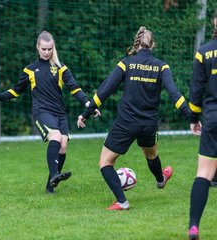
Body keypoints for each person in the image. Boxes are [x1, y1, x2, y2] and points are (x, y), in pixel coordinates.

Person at [77, 26, 190, 210]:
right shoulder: (162, 66)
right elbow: (174, 93)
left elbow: (104, 91)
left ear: (136, 43)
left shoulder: (126, 63)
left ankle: (122, 202)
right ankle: (160, 180)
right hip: (148, 124)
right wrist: (191, 116)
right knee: (151, 154)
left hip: (126, 123)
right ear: (152, 44)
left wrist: (86, 113)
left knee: (105, 162)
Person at [0, 31, 95, 194]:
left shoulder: (60, 68)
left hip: (60, 113)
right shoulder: (30, 70)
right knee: (55, 137)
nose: (46, 52)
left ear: (53, 48)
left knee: (63, 147)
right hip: (42, 112)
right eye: (43, 49)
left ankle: (51, 185)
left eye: (49, 49)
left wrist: (89, 104)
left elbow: (75, 88)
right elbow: (15, 91)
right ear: (38, 47)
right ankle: (55, 174)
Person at [187, 12, 217, 240]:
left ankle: (194, 226)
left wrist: (194, 118)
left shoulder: (204, 52)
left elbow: (196, 90)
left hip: (213, 118)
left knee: (204, 174)